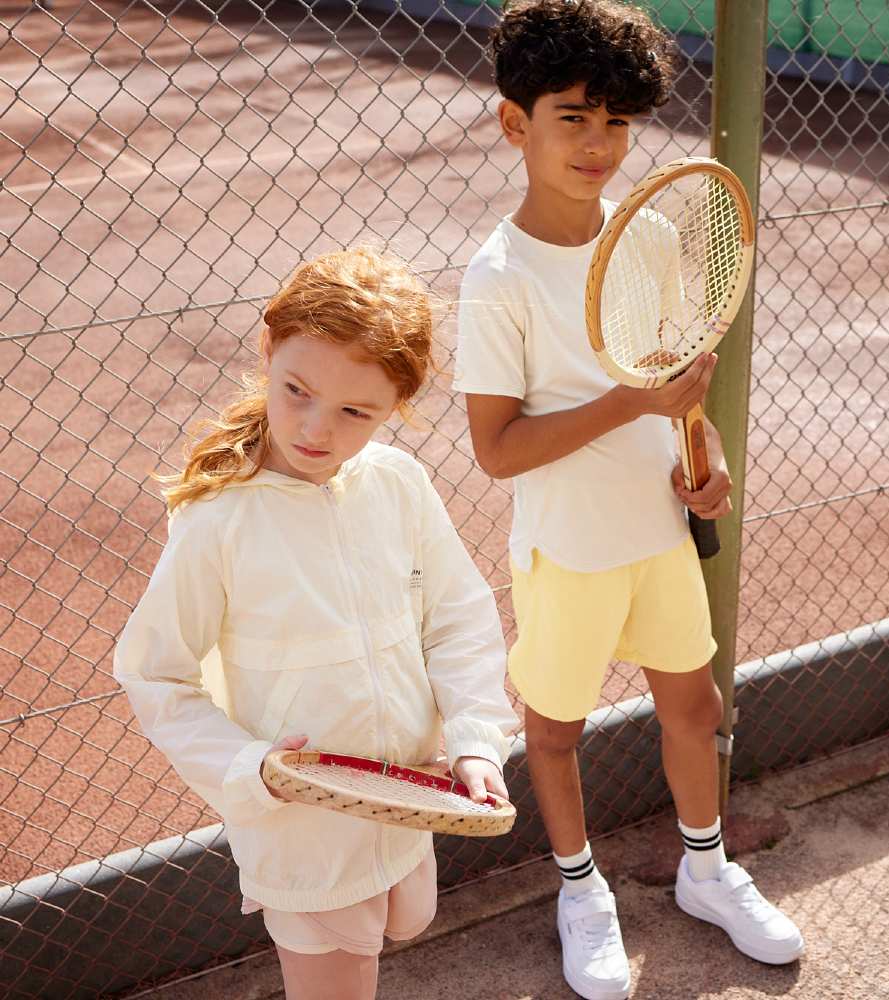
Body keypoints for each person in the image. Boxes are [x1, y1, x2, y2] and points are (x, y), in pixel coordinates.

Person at [453, 2, 804, 996]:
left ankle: (705, 868)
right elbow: (496, 448)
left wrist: (709, 458)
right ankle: (578, 889)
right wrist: (626, 401)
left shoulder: (649, 240)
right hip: (565, 549)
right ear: (513, 124)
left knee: (693, 705)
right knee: (555, 730)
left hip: (655, 531)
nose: (599, 143)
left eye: (615, 121)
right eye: (572, 118)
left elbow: (678, 386)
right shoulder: (498, 279)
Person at [114, 246, 518, 1000]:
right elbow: (155, 674)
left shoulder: (399, 485)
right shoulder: (218, 521)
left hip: (409, 795)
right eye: (296, 390)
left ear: (396, 407)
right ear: (267, 350)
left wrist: (474, 738)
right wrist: (253, 771)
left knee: (409, 918)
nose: (314, 429)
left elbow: (457, 617)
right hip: (303, 830)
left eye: (354, 412)